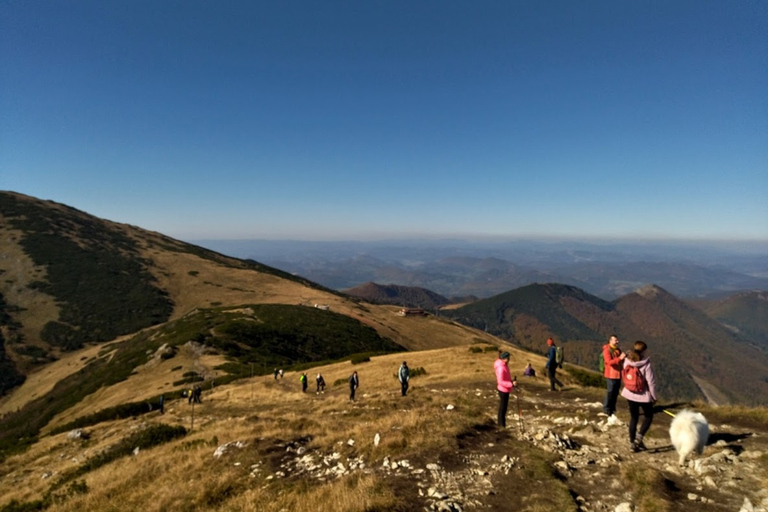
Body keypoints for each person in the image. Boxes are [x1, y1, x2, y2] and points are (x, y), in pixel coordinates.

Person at [621, 341, 657, 452]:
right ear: (644, 350)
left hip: (629, 393)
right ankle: (639, 437)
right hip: (643, 395)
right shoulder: (646, 364)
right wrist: (653, 396)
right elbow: (650, 382)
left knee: (634, 418)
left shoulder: (627, 361)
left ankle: (632, 443)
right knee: (648, 417)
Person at [602, 334, 626, 417]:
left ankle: (612, 409)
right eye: (615, 340)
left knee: (615, 393)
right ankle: (606, 409)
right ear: (610, 341)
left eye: (617, 340)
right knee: (610, 392)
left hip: (618, 374)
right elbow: (609, 362)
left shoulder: (617, 350)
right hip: (610, 374)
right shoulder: (607, 350)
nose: (617, 342)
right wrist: (620, 358)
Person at [494, 351, 514, 427]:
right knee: (503, 408)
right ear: (504, 359)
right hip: (503, 390)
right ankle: (501, 425)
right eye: (508, 358)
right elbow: (500, 381)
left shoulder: (503, 365)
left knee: (503, 408)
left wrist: (511, 382)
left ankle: (502, 424)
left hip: (505, 388)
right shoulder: (501, 368)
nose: (509, 359)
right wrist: (511, 384)